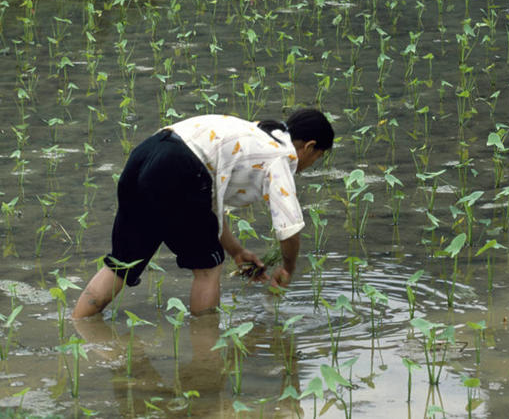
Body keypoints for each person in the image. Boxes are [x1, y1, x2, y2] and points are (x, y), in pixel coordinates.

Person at [72, 108, 334, 318]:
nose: (310, 166)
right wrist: (288, 268)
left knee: (123, 263)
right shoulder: (280, 156)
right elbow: (289, 227)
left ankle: (77, 327)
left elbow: (208, 204)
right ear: (309, 147)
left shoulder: (256, 135)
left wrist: (236, 251)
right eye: (317, 157)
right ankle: (206, 360)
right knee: (208, 268)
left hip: (146, 154)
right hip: (180, 166)